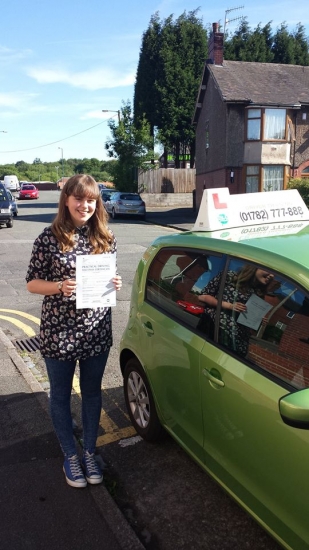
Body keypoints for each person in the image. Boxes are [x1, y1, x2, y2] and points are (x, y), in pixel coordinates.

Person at [26, 174, 122, 489]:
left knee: (93, 394)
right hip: (59, 331)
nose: (85, 205)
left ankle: (90, 452)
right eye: (79, 199)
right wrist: (58, 286)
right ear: (66, 200)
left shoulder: (107, 237)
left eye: (91, 200)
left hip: (96, 331)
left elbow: (109, 275)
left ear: (97, 203)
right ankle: (71, 455)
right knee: (61, 396)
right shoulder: (48, 237)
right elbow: (32, 282)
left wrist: (115, 282)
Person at [198, 265, 275, 357]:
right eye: (270, 270)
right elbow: (202, 297)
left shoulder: (259, 293)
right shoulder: (230, 276)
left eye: (274, 274)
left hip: (238, 344)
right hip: (214, 334)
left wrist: (258, 319)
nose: (272, 276)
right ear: (256, 266)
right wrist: (230, 306)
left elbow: (247, 316)